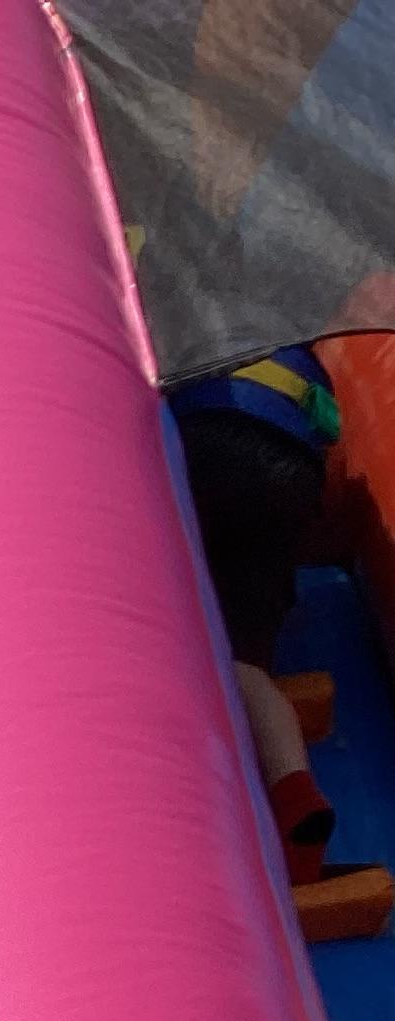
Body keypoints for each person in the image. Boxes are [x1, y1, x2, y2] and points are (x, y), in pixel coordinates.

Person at [171, 343, 343, 878]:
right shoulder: (290, 337)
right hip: (286, 460)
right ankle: (294, 789)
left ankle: (205, 810)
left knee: (187, 640)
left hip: (202, 443)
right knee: (248, 660)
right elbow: (327, 427)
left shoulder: (167, 322)